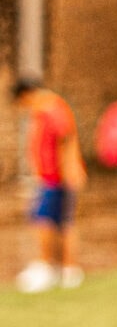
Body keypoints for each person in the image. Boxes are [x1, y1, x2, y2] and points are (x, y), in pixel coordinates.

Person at [12, 76, 85, 291]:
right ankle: (57, 267)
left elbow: (66, 139)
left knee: (49, 221)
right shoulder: (43, 110)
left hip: (56, 177)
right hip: (49, 176)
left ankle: (60, 266)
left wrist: (70, 170)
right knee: (54, 222)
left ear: (26, 94)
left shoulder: (50, 108)